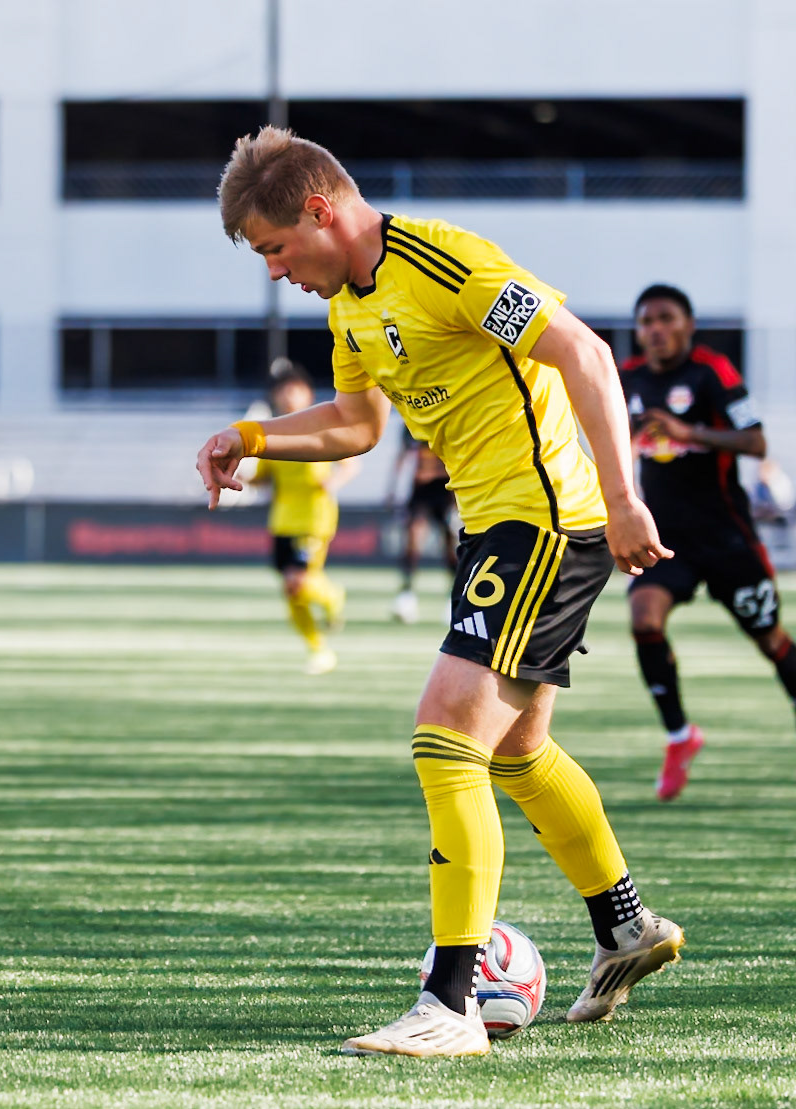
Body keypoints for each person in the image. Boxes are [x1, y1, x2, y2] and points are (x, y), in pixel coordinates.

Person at [196, 126, 683, 1057]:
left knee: (446, 730)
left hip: (546, 519)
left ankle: (451, 1002)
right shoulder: (350, 305)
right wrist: (252, 438)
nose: (274, 271)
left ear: (320, 210)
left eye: (274, 248)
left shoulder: (445, 264)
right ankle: (625, 926)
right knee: (517, 752)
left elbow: (583, 354)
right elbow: (355, 425)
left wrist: (625, 499)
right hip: (493, 528)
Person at [620, 284, 795, 800]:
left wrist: (688, 432)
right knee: (643, 619)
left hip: (726, 538)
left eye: (666, 318)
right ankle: (679, 736)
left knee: (770, 640)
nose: (655, 329)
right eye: (646, 321)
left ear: (688, 325)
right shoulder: (627, 378)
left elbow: (755, 441)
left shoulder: (711, 372)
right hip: (666, 538)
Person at [250, 358, 355, 674]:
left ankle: (333, 597)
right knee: (291, 591)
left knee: (300, 581)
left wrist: (333, 482)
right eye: (283, 391)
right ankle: (318, 649)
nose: (288, 396)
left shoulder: (321, 425)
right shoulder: (272, 433)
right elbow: (262, 477)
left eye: (294, 390)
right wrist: (241, 476)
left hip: (313, 517)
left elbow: (350, 464)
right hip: (283, 519)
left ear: (307, 393)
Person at [387, 426, 458, 625]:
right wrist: (392, 488)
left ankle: (454, 599)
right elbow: (402, 456)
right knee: (412, 541)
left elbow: (457, 457)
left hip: (446, 491)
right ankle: (406, 596)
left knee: (451, 547)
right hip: (420, 493)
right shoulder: (411, 423)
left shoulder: (446, 420)